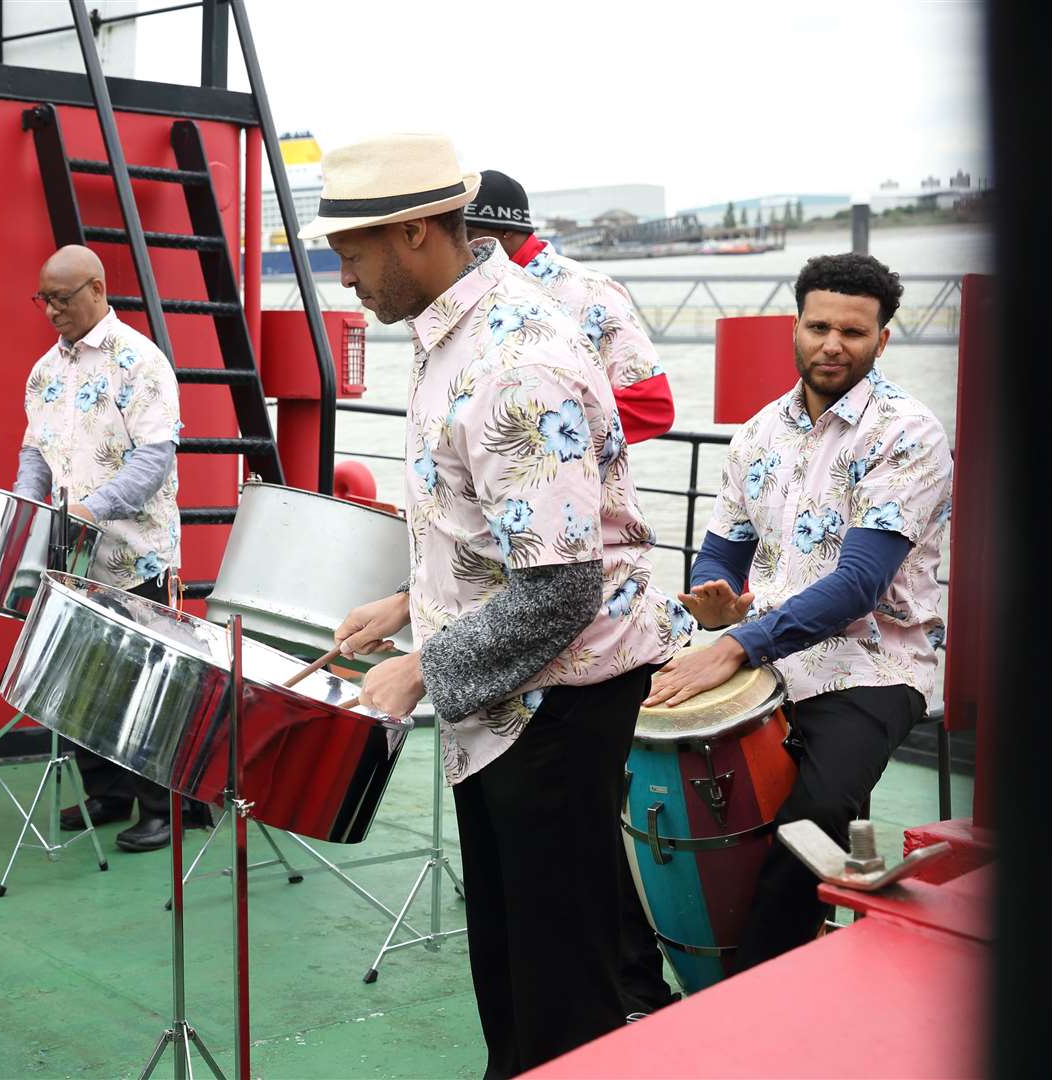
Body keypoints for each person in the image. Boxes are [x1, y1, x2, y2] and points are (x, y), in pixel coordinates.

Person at [306, 133, 692, 1077]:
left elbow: (561, 587)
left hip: (557, 702)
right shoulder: (454, 336)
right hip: (508, 700)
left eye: (353, 254)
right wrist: (409, 601)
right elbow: (496, 529)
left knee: (560, 986)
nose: (343, 276)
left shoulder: (517, 361)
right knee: (512, 968)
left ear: (417, 233)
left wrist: (418, 669)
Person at [644, 253, 952, 969]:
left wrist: (736, 644)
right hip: (767, 649)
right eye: (819, 326)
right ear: (796, 325)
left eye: (854, 331)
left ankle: (749, 994)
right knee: (613, 763)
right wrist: (716, 598)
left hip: (875, 664)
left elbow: (858, 585)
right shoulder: (756, 434)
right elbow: (722, 553)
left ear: (883, 339)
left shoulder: (908, 432)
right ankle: (639, 983)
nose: (833, 344)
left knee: (814, 811)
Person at [464, 167, 680, 1018]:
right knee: (552, 866)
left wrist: (562, 432)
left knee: (580, 839)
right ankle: (614, 988)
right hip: (505, 578)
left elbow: (654, 402)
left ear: (500, 232)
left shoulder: (585, 291)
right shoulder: (470, 299)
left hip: (579, 586)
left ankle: (630, 988)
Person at [14, 244, 202, 853]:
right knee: (81, 679)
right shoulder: (45, 370)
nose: (50, 312)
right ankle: (106, 790)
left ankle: (162, 806)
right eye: (43, 300)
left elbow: (155, 457)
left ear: (97, 289)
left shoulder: (140, 362)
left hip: (134, 552)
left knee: (144, 683)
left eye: (61, 299)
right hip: (73, 553)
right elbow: (34, 453)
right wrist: (28, 509)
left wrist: (92, 510)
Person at [464, 170, 674, 443]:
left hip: (565, 482)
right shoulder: (475, 289)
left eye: (467, 235)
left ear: (506, 230)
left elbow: (652, 408)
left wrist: (533, 437)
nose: (459, 249)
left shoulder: (592, 293)